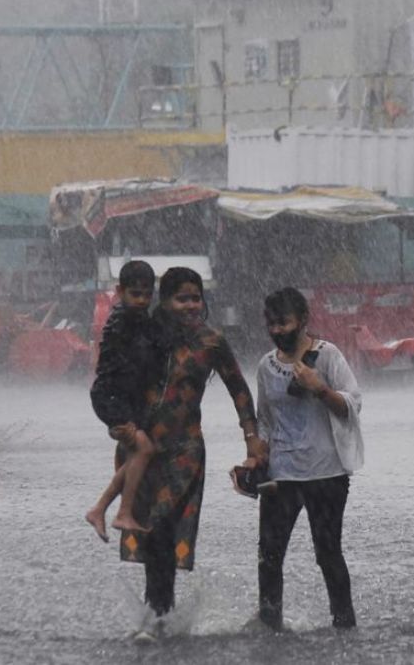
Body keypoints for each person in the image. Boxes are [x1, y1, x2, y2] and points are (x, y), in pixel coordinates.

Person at [121, 266, 266, 640]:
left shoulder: (211, 341)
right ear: (164, 302)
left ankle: (155, 616)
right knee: (152, 533)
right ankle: (161, 613)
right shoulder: (147, 336)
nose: (190, 306)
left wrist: (251, 437)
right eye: (181, 298)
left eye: (195, 298)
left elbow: (239, 389)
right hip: (143, 451)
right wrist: (116, 422)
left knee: (161, 526)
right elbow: (113, 379)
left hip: (185, 453)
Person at [253, 287, 364, 631]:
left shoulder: (327, 356)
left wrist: (320, 388)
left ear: (303, 321)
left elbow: (352, 405)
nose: (276, 331)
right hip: (281, 475)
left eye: (283, 323)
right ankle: (270, 626)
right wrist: (253, 458)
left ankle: (344, 625)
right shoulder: (266, 366)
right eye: (271, 324)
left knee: (327, 553)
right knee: (269, 557)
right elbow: (264, 421)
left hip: (326, 475)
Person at [86, 260, 159, 540]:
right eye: (135, 294)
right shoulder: (123, 321)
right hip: (111, 397)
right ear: (119, 291)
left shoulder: (137, 319)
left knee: (137, 455)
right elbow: (126, 372)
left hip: (119, 397)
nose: (142, 301)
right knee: (144, 448)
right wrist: (125, 418)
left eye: (147, 295)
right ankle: (123, 513)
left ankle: (99, 509)